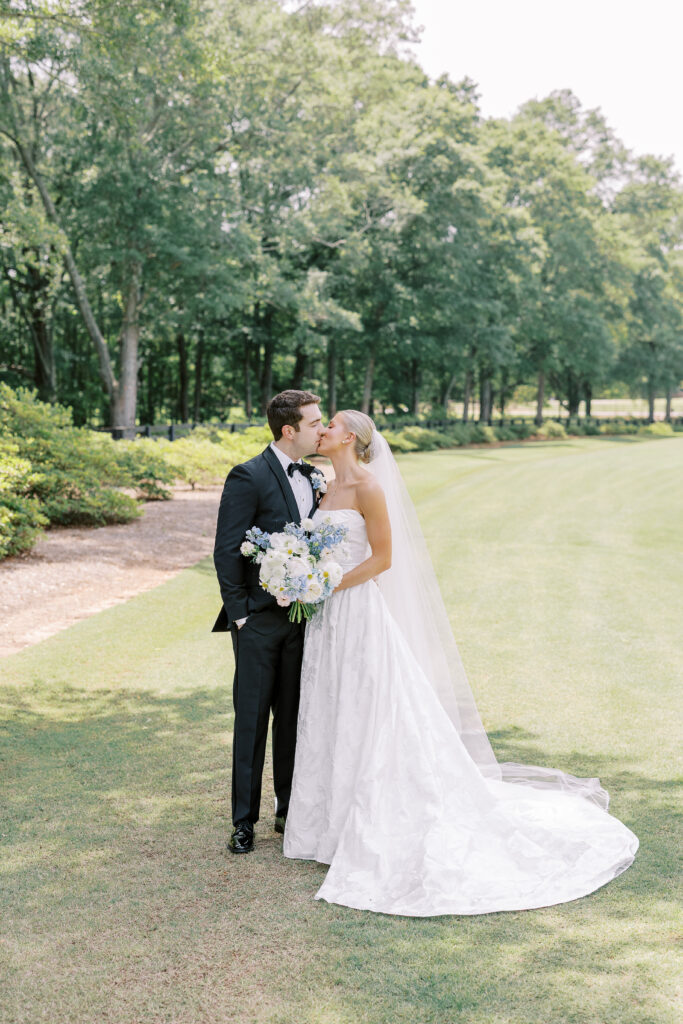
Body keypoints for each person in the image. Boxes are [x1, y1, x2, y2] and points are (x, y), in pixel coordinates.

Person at [283, 410, 638, 916]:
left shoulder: (368, 487)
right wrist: (306, 578)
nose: (323, 429)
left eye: (332, 424)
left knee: (367, 706)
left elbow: (383, 558)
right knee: (332, 707)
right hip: (326, 621)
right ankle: (325, 825)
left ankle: (372, 818)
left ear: (353, 439)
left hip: (358, 611)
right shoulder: (323, 487)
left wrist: (328, 583)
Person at [213, 390, 324, 854]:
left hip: (304, 623)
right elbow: (226, 549)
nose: (322, 428)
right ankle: (243, 822)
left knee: (293, 720)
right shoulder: (249, 475)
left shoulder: (317, 478)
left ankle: (288, 811)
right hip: (257, 624)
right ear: (289, 430)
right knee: (252, 723)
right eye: (315, 422)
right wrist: (240, 616)